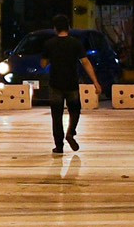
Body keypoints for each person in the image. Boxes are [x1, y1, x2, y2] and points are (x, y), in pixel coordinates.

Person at [39, 19, 97, 153]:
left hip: (55, 84)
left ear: (55, 29)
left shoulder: (49, 44)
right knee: (75, 111)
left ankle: (59, 146)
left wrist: (49, 59)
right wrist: (95, 82)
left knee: (57, 116)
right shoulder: (76, 43)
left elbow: (43, 64)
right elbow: (86, 62)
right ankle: (71, 132)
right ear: (68, 28)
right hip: (72, 83)